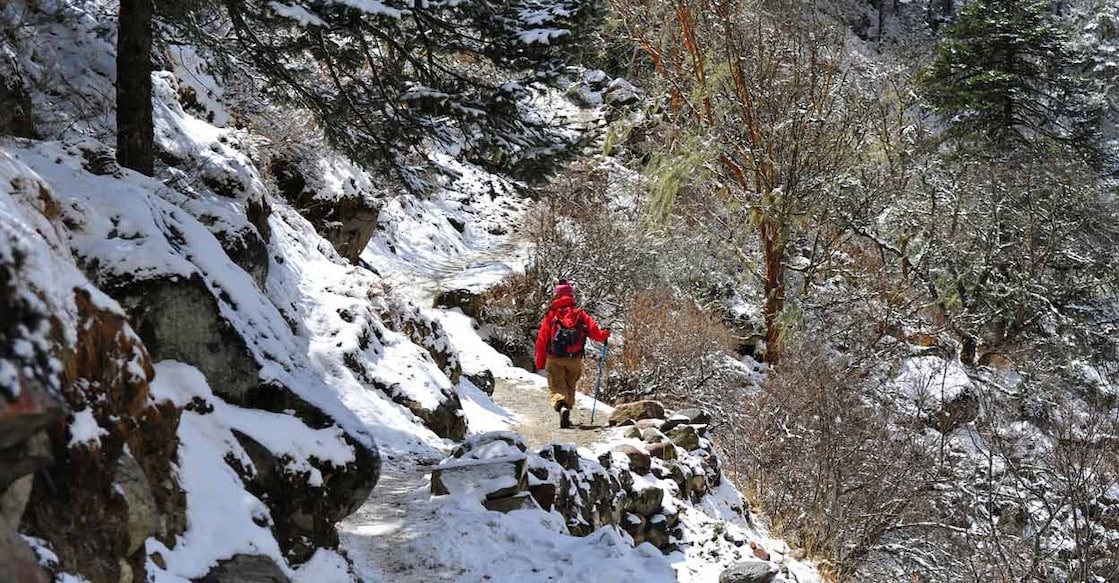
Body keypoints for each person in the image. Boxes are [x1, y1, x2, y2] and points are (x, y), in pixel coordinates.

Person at [535, 279, 609, 428]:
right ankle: (567, 410)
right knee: (570, 385)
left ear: (556, 296)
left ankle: (561, 405)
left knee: (556, 385)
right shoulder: (580, 315)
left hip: (554, 358)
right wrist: (605, 334)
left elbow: (542, 340)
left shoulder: (551, 315)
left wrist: (540, 363)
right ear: (571, 296)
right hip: (574, 359)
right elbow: (596, 333)